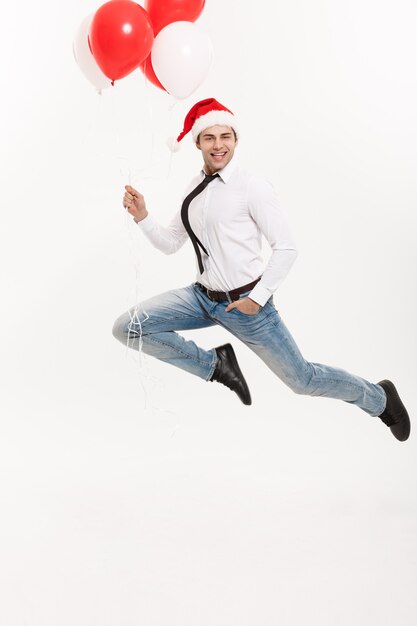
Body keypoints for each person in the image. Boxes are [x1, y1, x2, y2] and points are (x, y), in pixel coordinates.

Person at [112, 97, 410, 442]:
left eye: (226, 136)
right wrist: (143, 217)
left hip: (246, 306)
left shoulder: (252, 187)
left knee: (303, 380)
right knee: (128, 328)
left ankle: (379, 397)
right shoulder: (193, 188)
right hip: (200, 297)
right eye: (209, 137)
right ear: (197, 142)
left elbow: (287, 248)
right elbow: (170, 243)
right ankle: (215, 365)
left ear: (236, 140)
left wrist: (258, 298)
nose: (218, 145)